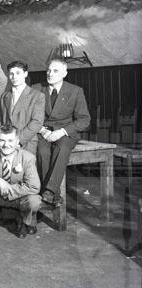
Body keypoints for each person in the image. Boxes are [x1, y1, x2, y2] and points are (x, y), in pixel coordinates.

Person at [35, 59, 90, 207]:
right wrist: (42, 130)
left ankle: (49, 191)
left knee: (62, 148)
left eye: (55, 71)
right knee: (42, 151)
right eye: (48, 70)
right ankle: (53, 195)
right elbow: (30, 114)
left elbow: (84, 119)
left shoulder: (75, 91)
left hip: (65, 132)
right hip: (43, 131)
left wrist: (62, 132)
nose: (50, 74)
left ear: (64, 74)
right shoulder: (37, 88)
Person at [1, 61, 45, 155]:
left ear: (25, 74)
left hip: (27, 143)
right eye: (11, 74)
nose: (14, 77)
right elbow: (2, 121)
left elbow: (37, 122)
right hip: (6, 143)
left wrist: (18, 140)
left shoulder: (37, 96)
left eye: (18, 73)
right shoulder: (4, 96)